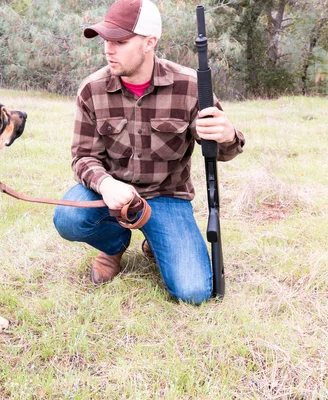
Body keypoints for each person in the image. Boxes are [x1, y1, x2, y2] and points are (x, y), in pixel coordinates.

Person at [53, 0, 245, 305]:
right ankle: (114, 244)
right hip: (112, 196)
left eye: (120, 41)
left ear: (149, 42)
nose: (108, 49)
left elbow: (223, 151)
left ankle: (156, 242)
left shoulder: (191, 86)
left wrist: (227, 134)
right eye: (106, 40)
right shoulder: (92, 89)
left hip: (167, 197)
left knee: (193, 292)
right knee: (68, 216)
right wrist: (106, 184)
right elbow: (82, 157)